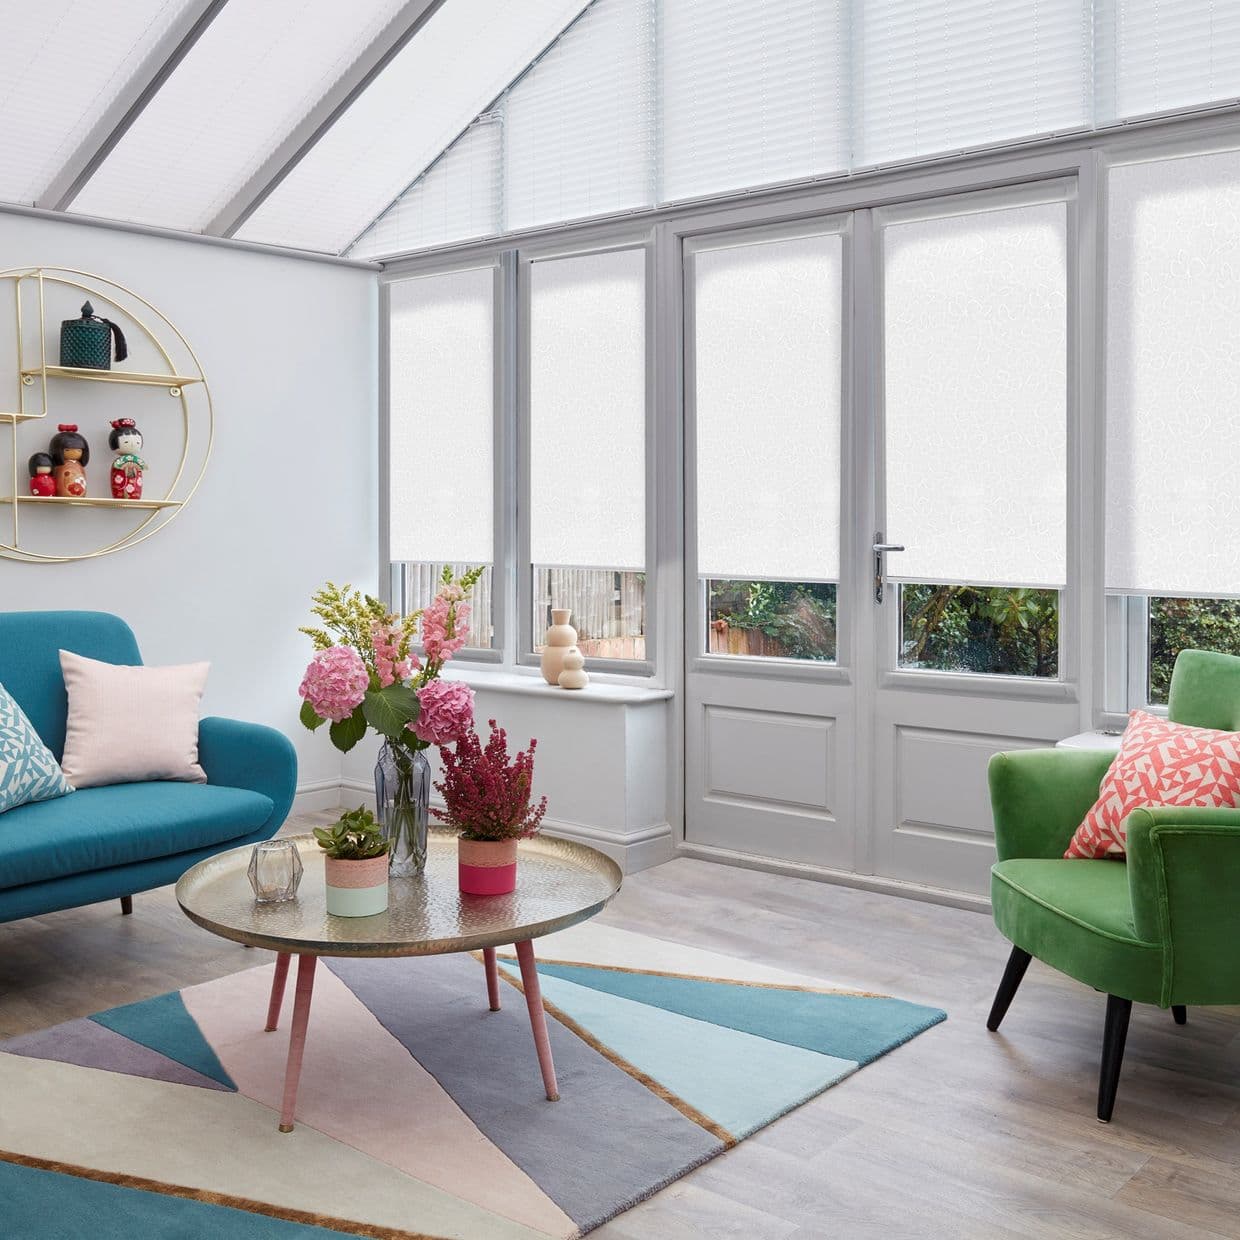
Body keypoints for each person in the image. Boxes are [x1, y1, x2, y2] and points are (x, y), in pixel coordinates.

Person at [108, 418, 146, 500]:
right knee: (119, 481)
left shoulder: (136, 461)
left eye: (137, 442)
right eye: (126, 442)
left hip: (134, 485)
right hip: (122, 486)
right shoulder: (118, 462)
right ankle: (120, 495)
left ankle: (135, 495)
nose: (132, 445)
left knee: (136, 482)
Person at [49, 424, 89, 498]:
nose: (74, 452)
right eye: (67, 450)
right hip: (64, 491)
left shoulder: (79, 464)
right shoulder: (61, 466)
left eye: (79, 450)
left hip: (80, 490)